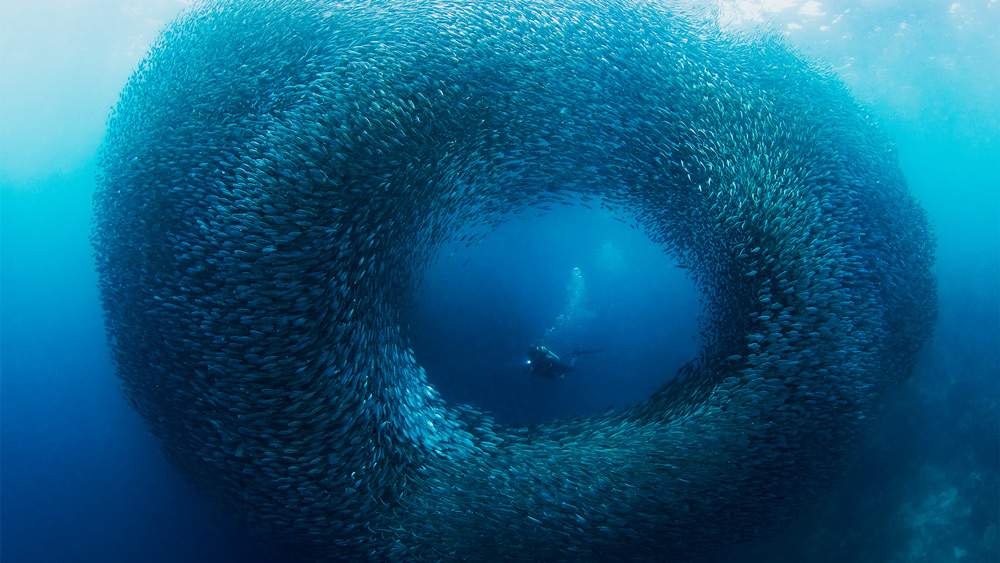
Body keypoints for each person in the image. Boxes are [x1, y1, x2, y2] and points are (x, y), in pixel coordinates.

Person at [524, 345, 601, 380]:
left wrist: (560, 373)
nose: (534, 357)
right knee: (553, 377)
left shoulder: (539, 358)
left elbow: (553, 363)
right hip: (551, 366)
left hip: (552, 364)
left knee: (570, 369)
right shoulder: (535, 361)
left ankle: (577, 354)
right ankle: (576, 353)